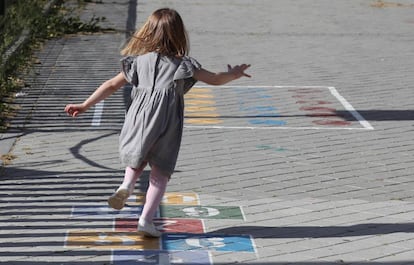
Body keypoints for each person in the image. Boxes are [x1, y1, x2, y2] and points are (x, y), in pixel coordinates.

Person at [64, 8, 250, 237]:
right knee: (160, 174)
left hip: (138, 119)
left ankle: (126, 185)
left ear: (148, 32)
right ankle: (145, 220)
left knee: (137, 157)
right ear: (179, 35)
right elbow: (214, 79)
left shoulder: (137, 63)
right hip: (167, 122)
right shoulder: (184, 65)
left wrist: (84, 105)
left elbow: (111, 84)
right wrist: (233, 74)